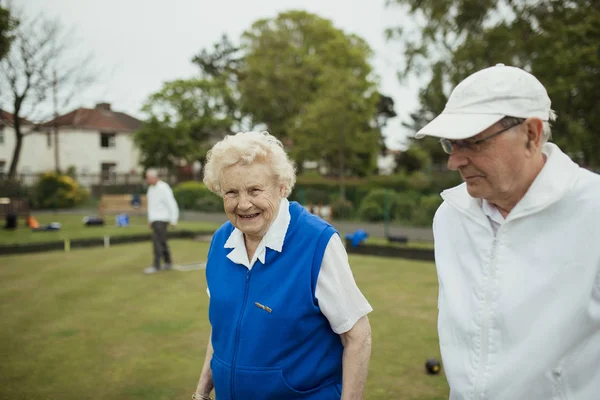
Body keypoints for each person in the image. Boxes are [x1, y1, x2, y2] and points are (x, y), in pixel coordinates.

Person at [415, 63, 600, 399]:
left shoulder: (594, 210)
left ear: (531, 134)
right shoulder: (449, 217)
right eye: (450, 144)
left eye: (472, 142)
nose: (454, 162)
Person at [192, 131, 373, 400]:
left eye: (254, 190)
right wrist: (201, 393)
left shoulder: (317, 242)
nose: (243, 204)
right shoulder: (221, 241)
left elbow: (358, 337)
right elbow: (223, 329)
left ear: (281, 187)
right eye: (231, 192)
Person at [143, 168, 179, 274]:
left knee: (157, 241)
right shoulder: (150, 190)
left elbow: (171, 203)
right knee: (162, 241)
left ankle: (156, 265)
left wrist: (173, 219)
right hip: (155, 220)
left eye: (148, 178)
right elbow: (151, 207)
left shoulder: (164, 188)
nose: (147, 180)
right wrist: (150, 220)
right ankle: (168, 262)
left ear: (155, 177)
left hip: (162, 219)